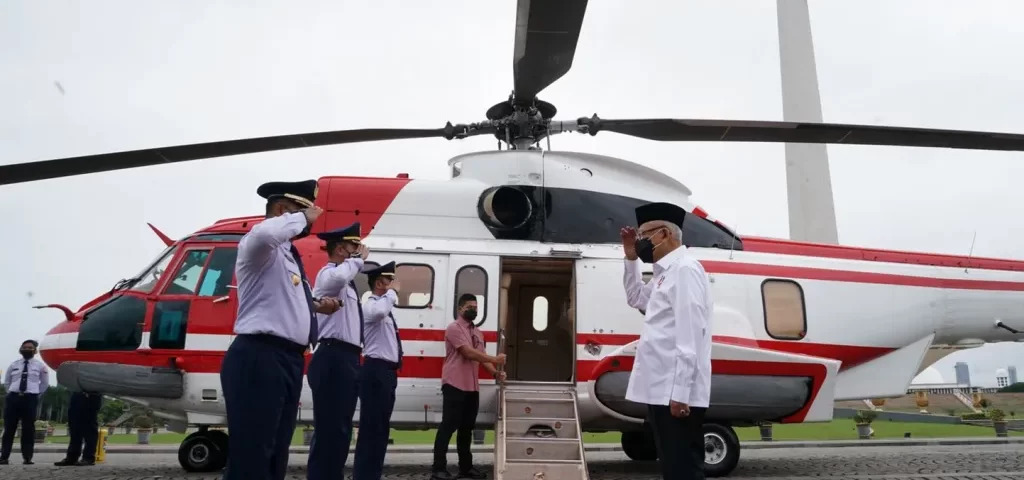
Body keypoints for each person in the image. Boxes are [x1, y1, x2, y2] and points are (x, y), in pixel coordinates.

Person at [219, 180, 342, 480]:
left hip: (287, 359)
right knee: (253, 452)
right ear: (281, 210)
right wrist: (301, 217)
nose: (310, 217)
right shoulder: (258, 245)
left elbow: (282, 297)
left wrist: (316, 306)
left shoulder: (287, 257)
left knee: (275, 452)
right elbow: (265, 232)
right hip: (260, 355)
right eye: (303, 209)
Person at [620, 201, 713, 480]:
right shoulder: (665, 275)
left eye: (644, 235)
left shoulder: (685, 270)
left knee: (683, 469)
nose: (640, 242)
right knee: (673, 467)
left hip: (675, 391)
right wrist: (630, 258)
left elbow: (690, 333)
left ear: (665, 234)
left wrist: (681, 394)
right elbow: (635, 298)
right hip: (662, 388)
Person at [307, 222, 367, 480]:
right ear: (342, 249)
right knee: (331, 428)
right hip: (333, 356)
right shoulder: (329, 274)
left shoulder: (347, 282)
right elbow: (340, 276)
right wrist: (358, 260)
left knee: (341, 428)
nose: (361, 249)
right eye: (355, 245)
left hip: (347, 358)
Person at [430, 294, 506, 480]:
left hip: (472, 387)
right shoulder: (453, 328)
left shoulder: (478, 332)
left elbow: (481, 356)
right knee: (448, 426)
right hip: (455, 383)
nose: (474, 309)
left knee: (466, 428)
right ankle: (438, 469)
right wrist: (494, 359)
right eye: (469, 306)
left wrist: (495, 372)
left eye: (476, 306)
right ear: (460, 309)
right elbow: (467, 352)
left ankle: (466, 468)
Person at [353, 261, 403, 480]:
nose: (393, 284)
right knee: (372, 428)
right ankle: (364, 475)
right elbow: (379, 312)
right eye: (389, 280)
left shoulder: (383, 307)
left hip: (386, 373)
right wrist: (391, 293)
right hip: (375, 370)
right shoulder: (370, 303)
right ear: (380, 282)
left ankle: (372, 473)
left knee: (381, 428)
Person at [1, 339, 49, 465]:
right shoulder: (13, 365)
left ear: (35, 351)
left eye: (30, 347)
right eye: (25, 347)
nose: (27, 349)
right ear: (21, 349)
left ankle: (27, 457)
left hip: (30, 399)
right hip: (13, 398)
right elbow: (7, 382)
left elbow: (44, 384)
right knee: (9, 428)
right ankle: (4, 456)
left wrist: (35, 394)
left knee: (28, 429)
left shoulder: (40, 366)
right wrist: (11, 393)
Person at [54, 390, 102, 466]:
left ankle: (88, 458)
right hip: (77, 394)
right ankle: (72, 457)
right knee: (74, 428)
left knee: (90, 429)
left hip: (92, 394)